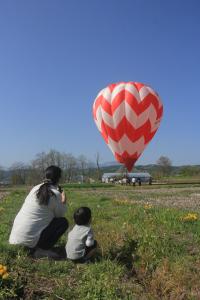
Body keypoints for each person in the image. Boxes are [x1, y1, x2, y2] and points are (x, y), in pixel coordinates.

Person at [9, 166, 68, 259]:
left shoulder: (35, 188)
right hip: (29, 243)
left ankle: (33, 247)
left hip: (15, 239)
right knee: (63, 222)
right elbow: (60, 215)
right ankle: (40, 250)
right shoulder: (55, 194)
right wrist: (63, 200)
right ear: (58, 178)